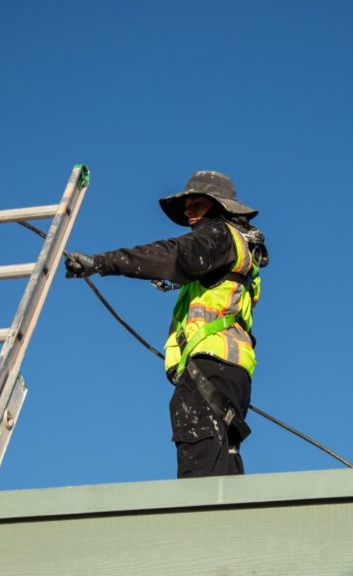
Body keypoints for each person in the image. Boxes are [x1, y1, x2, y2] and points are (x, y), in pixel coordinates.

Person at [64, 171, 268, 478]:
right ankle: (227, 522)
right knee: (222, 459)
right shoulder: (233, 250)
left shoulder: (218, 234)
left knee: (201, 463)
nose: (188, 212)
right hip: (230, 371)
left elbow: (175, 255)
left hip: (211, 368)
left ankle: (200, 523)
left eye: (196, 204)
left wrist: (102, 262)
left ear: (217, 208)